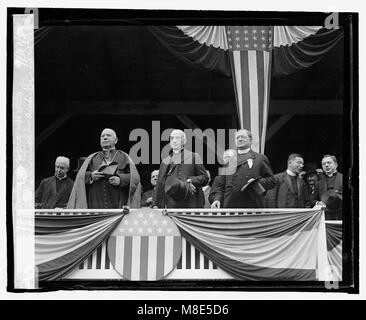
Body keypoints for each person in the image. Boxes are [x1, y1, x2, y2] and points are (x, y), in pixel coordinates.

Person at [67, 128, 141, 209]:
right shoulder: (92, 158)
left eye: (108, 135)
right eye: (102, 136)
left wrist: (121, 179)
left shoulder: (124, 157)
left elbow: (135, 178)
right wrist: (91, 176)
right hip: (95, 203)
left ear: (115, 140)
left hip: (117, 203)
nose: (105, 137)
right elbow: (79, 177)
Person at [211, 129, 276, 208]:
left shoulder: (260, 158)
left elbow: (272, 180)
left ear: (251, 141)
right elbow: (221, 186)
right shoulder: (229, 159)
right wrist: (217, 199)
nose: (240, 139)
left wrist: (257, 182)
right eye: (237, 138)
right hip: (230, 205)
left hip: (253, 205)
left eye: (243, 137)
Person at [152, 129, 209, 208]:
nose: (174, 141)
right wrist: (155, 204)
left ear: (184, 140)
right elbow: (159, 185)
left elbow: (204, 177)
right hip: (171, 205)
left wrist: (189, 180)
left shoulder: (194, 156)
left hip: (190, 203)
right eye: (172, 138)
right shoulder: (165, 161)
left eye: (177, 138)